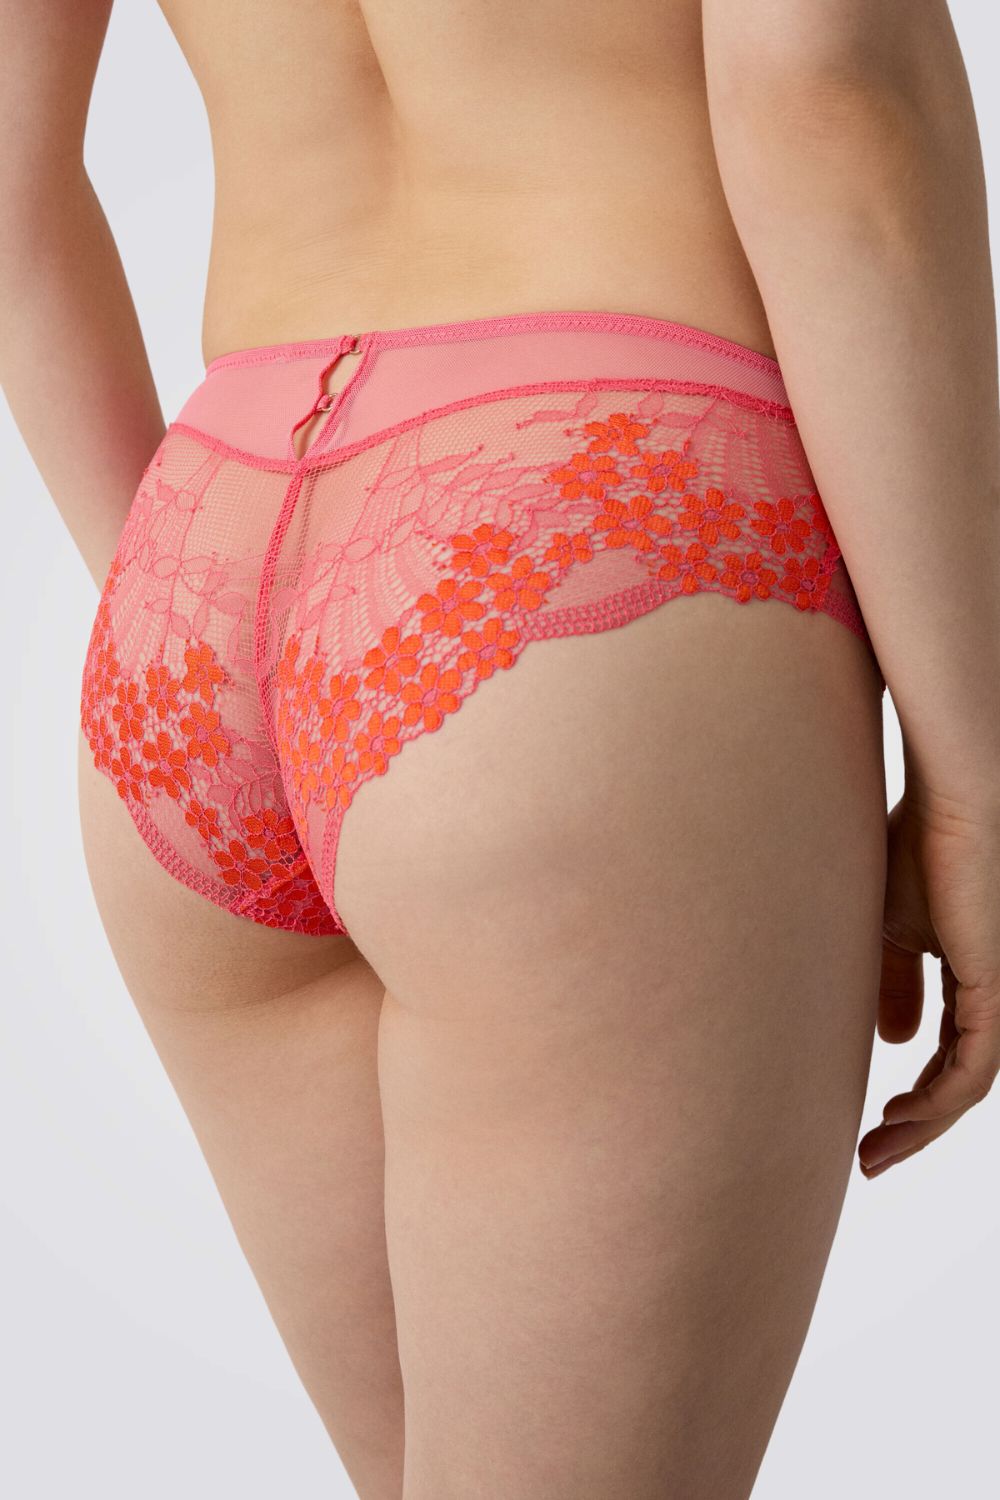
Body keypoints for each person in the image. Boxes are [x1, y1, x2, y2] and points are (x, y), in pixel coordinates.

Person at [2, 1, 997, 1495]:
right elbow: (824, 82)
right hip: (583, 517)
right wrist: (973, 776)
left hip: (205, 556)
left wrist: (194, 620)